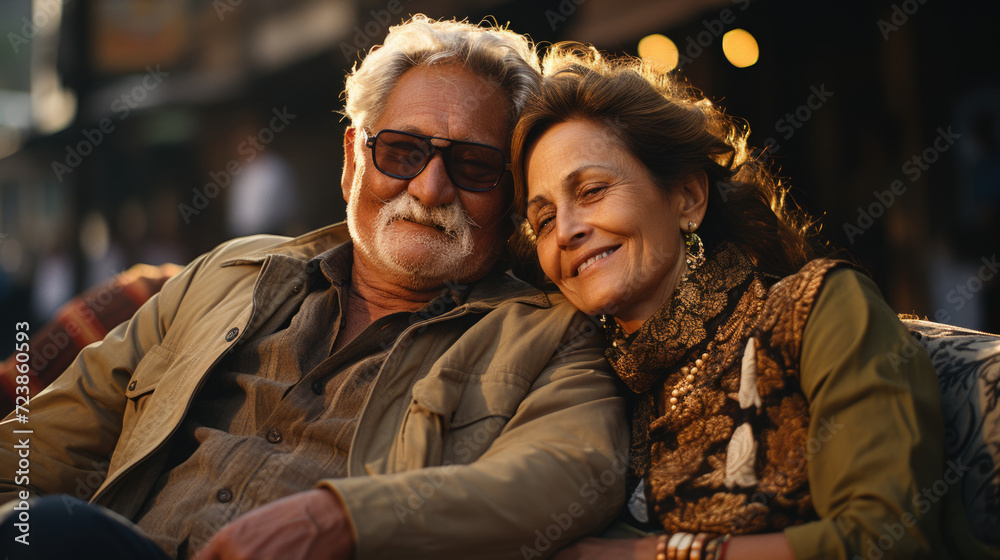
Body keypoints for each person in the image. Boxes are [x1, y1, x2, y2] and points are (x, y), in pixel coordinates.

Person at [0, 20, 628, 560]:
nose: (431, 189)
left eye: (473, 166)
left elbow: (569, 474)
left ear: (513, 193)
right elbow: (38, 447)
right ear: (354, 158)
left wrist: (343, 519)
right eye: (404, 152)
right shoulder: (226, 274)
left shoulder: (552, 336)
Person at [511, 44, 998, 560]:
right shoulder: (590, 385)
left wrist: (650, 555)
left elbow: (885, 540)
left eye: (590, 190)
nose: (565, 231)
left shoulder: (815, 312)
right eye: (542, 220)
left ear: (688, 198)